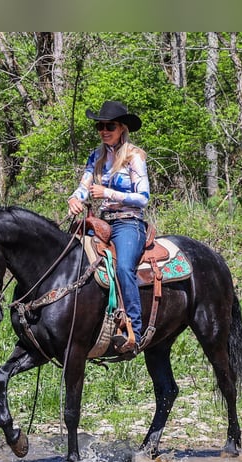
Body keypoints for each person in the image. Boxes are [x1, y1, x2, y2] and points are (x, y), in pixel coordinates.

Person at [67, 100, 150, 354]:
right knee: (72, 259)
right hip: (102, 223)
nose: (104, 130)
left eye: (109, 126)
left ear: (122, 128)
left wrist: (109, 193)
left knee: (124, 267)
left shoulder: (134, 157)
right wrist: (74, 199)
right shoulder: (97, 156)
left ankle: (133, 330)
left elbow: (143, 197)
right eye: (100, 126)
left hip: (128, 223)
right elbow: (84, 187)